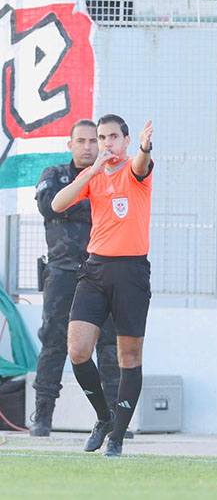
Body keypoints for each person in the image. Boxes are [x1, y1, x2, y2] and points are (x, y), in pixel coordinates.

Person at [51, 114, 155, 457]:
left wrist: (143, 147)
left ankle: (118, 438)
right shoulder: (92, 174)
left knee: (129, 356)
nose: (106, 143)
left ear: (125, 140)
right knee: (78, 349)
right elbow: (57, 204)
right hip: (95, 269)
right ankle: (103, 418)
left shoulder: (135, 168)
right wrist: (92, 172)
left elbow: (141, 165)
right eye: (101, 137)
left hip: (131, 271)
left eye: (113, 137)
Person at [29, 120, 124, 438]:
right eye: (80, 141)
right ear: (70, 144)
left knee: (109, 346)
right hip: (62, 274)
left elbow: (115, 211)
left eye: (92, 141)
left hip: (102, 272)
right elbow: (48, 206)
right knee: (54, 344)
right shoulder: (54, 175)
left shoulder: (112, 176)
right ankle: (42, 416)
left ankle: (112, 418)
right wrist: (87, 204)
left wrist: (69, 204)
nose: (87, 147)